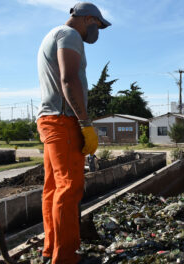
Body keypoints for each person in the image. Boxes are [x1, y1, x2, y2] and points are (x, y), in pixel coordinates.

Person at [36, 2, 110, 263]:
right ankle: (66, 257)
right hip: (64, 120)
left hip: (49, 119)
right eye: (98, 26)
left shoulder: (51, 35)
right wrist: (85, 122)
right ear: (88, 19)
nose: (98, 32)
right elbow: (69, 80)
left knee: (53, 188)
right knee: (69, 188)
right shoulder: (70, 35)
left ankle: (51, 250)